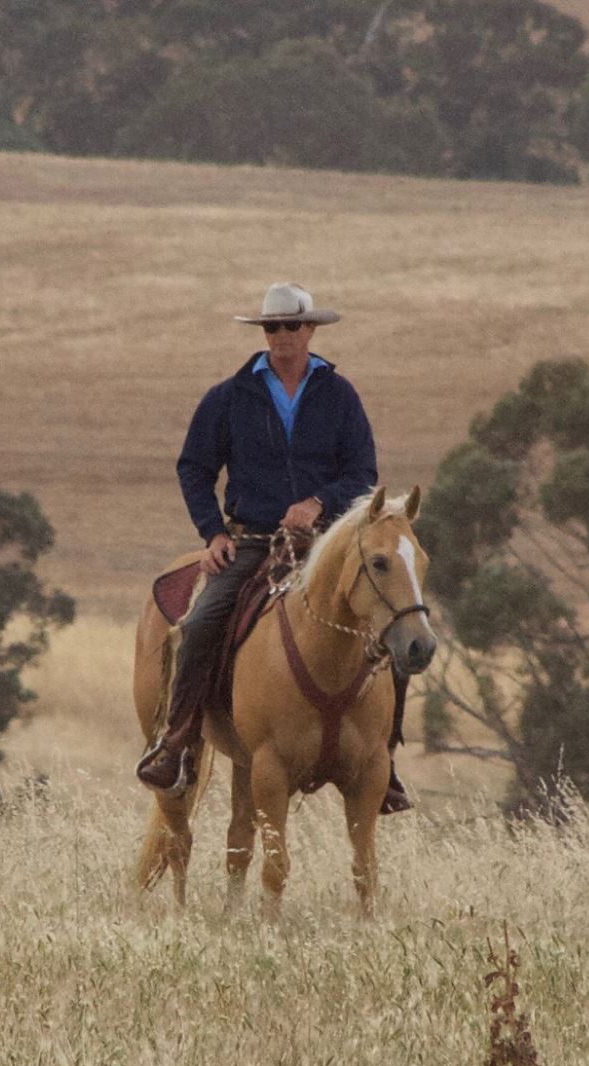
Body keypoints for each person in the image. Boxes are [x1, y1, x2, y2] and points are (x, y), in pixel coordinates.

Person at [137, 282, 412, 813]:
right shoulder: (229, 395)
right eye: (271, 327)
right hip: (251, 542)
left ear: (311, 330)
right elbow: (194, 468)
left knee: (393, 623)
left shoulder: (339, 395)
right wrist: (211, 532)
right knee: (199, 625)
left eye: (291, 326)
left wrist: (318, 502)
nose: (281, 335)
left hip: (326, 547)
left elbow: (362, 474)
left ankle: (384, 758)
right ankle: (178, 741)